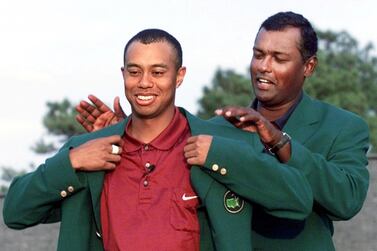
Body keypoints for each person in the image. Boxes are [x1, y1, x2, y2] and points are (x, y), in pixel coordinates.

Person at [75, 12, 370, 250]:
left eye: (279, 59)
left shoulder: (343, 126)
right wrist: (132, 133)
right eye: (258, 54)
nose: (263, 67)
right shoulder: (214, 130)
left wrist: (279, 141)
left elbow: (346, 201)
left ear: (309, 66)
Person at [3, 28, 313, 251]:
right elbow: (15, 212)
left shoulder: (222, 145)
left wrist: (224, 157)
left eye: (158, 72)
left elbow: (298, 201)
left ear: (179, 76)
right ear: (123, 74)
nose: (144, 83)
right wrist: (70, 162)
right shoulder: (90, 151)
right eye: (135, 72)